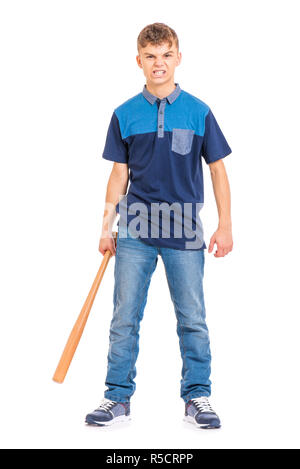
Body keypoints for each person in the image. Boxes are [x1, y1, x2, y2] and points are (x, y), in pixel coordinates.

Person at [85, 22, 233, 430]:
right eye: (150, 56)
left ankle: (198, 396)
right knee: (124, 318)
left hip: (185, 231)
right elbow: (118, 176)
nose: (159, 64)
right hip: (134, 231)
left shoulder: (199, 111)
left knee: (192, 318)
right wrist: (104, 227)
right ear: (139, 61)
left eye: (166, 55)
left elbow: (218, 171)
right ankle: (116, 397)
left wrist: (226, 225)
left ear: (178, 58)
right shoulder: (124, 114)